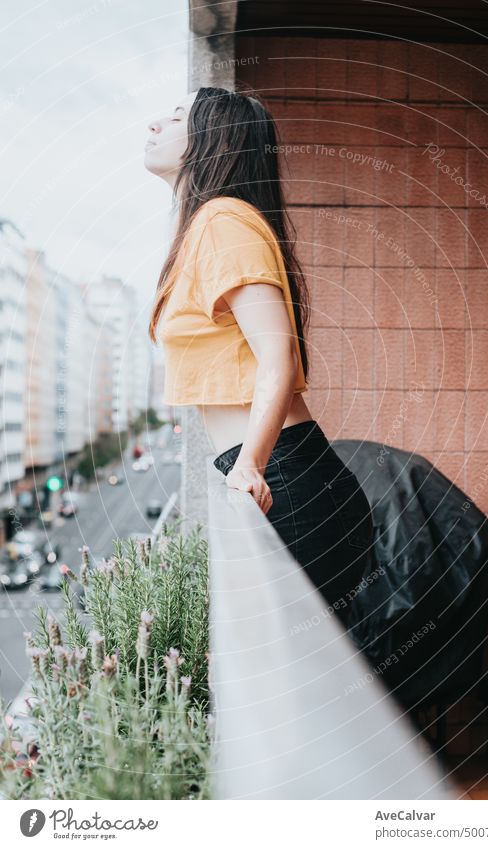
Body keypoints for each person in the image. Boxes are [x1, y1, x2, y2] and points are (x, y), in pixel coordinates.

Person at [144, 86, 373, 632]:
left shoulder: (223, 220)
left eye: (176, 117)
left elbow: (278, 355)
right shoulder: (206, 227)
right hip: (285, 479)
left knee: (289, 682)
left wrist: (249, 464)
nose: (154, 124)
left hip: (289, 482)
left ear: (213, 140)